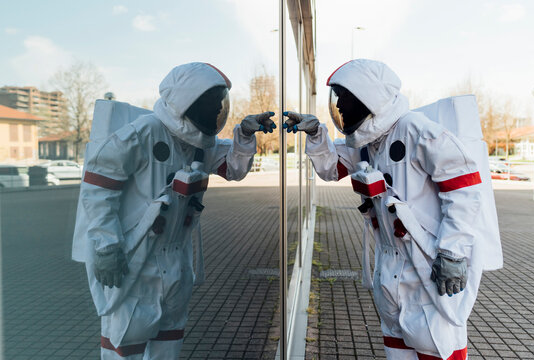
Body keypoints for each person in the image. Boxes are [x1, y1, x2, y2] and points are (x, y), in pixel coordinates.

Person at [283, 59, 502, 360]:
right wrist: (316, 134)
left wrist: (453, 252)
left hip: (428, 267)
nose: (342, 109)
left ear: (369, 99)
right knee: (397, 351)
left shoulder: (414, 130)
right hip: (389, 269)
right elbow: (331, 169)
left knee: (437, 345)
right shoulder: (366, 142)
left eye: (346, 101)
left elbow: (464, 188)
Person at [72, 62, 276, 359]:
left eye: (221, 104)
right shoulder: (145, 132)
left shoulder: (199, 144)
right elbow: (98, 185)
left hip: (177, 263)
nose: (217, 111)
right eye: (211, 104)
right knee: (124, 345)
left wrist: (243, 134)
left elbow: (233, 168)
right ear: (186, 102)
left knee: (168, 345)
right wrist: (106, 245)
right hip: (135, 261)